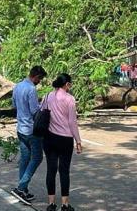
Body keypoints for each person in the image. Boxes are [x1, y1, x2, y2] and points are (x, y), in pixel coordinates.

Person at [43, 73, 82, 211]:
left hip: (49, 138)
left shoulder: (47, 96)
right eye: (70, 84)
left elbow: (42, 113)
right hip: (65, 139)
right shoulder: (70, 99)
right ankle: (65, 205)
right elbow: (72, 122)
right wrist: (78, 140)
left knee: (51, 170)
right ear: (66, 84)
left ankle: (51, 204)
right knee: (64, 171)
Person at [11, 65, 48, 205]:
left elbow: (14, 105)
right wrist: (43, 107)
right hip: (32, 130)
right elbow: (35, 111)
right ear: (36, 76)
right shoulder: (31, 89)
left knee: (25, 158)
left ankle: (23, 190)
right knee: (37, 158)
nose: (40, 82)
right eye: (40, 79)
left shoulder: (18, 86)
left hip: (20, 128)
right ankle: (21, 187)